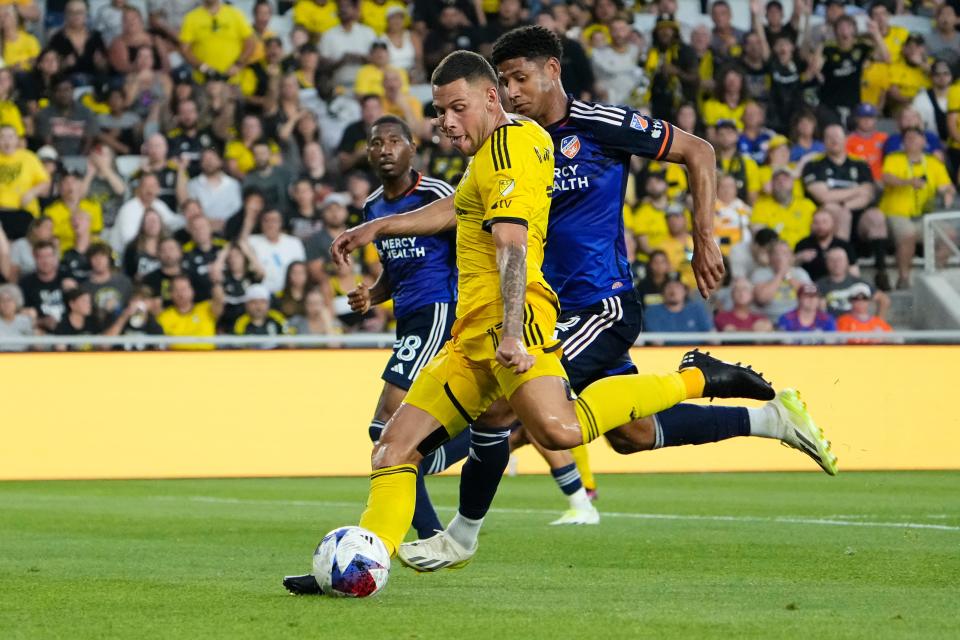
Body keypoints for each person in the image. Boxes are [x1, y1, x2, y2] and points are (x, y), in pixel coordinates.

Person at [281, 46, 831, 593]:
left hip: (560, 313)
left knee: (555, 428)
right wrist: (381, 227)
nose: (445, 124)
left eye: (456, 109)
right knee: (395, 448)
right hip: (476, 335)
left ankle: (702, 378)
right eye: (439, 112)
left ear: (502, 93)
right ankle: (365, 564)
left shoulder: (521, 146)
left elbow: (513, 245)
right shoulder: (493, 150)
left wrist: (517, 332)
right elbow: (461, 208)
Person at [802, 124, 887, 287]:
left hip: (857, 213)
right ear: (823, 142)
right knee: (838, 212)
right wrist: (854, 191)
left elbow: (867, 194)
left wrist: (845, 204)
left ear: (845, 140)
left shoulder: (860, 164)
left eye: (838, 136)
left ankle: (881, 271)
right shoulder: (814, 165)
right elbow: (823, 196)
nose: (834, 140)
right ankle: (840, 271)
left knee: (876, 216)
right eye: (830, 137)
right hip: (831, 217)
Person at [878, 127, 955, 289]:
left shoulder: (934, 163)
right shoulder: (894, 159)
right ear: (903, 143)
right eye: (907, 138)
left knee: (950, 234)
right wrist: (908, 182)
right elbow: (886, 177)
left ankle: (934, 276)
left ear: (924, 141)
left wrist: (948, 192)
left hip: (924, 216)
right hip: (897, 213)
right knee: (908, 234)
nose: (911, 140)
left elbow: (945, 186)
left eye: (915, 137)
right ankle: (904, 279)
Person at [179, 0, 255, 84]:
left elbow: (250, 43)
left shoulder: (235, 14)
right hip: (203, 81)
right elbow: (184, 49)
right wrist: (202, 67)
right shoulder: (191, 17)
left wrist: (238, 64)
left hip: (232, 81)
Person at [111, 173, 184, 253]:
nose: (150, 190)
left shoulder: (158, 204)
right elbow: (129, 240)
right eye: (146, 186)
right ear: (139, 189)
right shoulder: (129, 209)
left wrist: (190, 219)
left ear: (158, 189)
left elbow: (173, 222)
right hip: (125, 256)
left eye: (153, 186)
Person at [35, 75, 101, 158]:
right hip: (54, 159)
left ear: (73, 91)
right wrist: (60, 161)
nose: (63, 94)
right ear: (53, 93)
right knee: (45, 152)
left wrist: (79, 160)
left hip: (82, 157)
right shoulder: (45, 113)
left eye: (67, 90)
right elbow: (48, 142)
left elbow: (89, 140)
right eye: (59, 90)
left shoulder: (85, 112)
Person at [751, 167, 816, 249]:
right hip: (775, 253)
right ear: (771, 185)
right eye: (777, 180)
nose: (781, 183)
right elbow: (759, 235)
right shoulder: (761, 207)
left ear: (793, 183)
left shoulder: (807, 204)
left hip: (806, 251)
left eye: (785, 179)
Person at [816, 246, 889, 320]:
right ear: (826, 263)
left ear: (847, 262)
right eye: (832, 260)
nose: (836, 263)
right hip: (832, 328)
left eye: (840, 260)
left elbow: (884, 299)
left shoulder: (858, 283)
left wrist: (877, 323)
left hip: (855, 328)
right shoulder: (819, 285)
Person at [156, 273, 224, 350]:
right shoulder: (164, 317)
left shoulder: (206, 309)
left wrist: (217, 282)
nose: (180, 294)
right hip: (177, 359)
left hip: (207, 358)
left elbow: (219, 300)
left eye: (184, 289)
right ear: (171, 294)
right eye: (176, 290)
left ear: (192, 291)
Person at [318, 0, 378, 88]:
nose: (343, 10)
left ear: (355, 10)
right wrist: (341, 61)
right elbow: (323, 65)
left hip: (368, 85)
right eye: (340, 7)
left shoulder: (368, 32)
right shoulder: (328, 35)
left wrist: (362, 58)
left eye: (347, 6)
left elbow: (380, 60)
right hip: (339, 86)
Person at [245, 209, 306, 294]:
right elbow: (237, 242)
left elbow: (301, 270)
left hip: (288, 294)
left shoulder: (294, 243)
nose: (270, 225)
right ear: (261, 223)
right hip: (262, 295)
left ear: (281, 223)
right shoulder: (251, 241)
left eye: (274, 221)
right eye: (266, 220)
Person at [751, 239, 812, 323]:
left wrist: (788, 276)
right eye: (776, 253)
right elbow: (762, 299)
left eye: (784, 253)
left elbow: (809, 298)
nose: (780, 257)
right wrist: (779, 274)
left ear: (791, 256)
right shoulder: (760, 273)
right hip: (768, 320)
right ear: (769, 256)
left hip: (796, 321)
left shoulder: (800, 273)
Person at [0, 125, 49, 223]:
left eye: (10, 137)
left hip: (25, 211)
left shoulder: (28, 157)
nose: (7, 142)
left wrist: (32, 193)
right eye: (2, 137)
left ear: (17, 140)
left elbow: (45, 182)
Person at [143, 237, 211, 308]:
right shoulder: (150, 280)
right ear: (158, 254)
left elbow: (205, 301)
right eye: (163, 250)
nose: (167, 253)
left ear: (180, 252)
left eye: (171, 249)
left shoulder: (193, 276)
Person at [184, 148, 243, 230]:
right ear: (201, 164)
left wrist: (225, 223)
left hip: (231, 229)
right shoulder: (192, 185)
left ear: (220, 161)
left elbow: (237, 208)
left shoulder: (234, 184)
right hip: (202, 229)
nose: (209, 162)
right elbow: (190, 211)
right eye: (205, 159)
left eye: (212, 158)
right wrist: (208, 222)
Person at [18, 240, 70, 332]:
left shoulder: (67, 278)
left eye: (49, 256)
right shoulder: (25, 283)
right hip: (39, 331)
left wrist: (73, 290)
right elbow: (20, 315)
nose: (45, 261)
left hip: (68, 330)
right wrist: (42, 322)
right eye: (41, 257)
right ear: (34, 258)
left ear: (55, 257)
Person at [794, 209, 857, 282]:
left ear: (833, 224)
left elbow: (854, 272)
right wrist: (799, 258)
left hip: (838, 287)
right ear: (811, 225)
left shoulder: (844, 245)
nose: (820, 226)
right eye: (816, 222)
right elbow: (791, 270)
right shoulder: (802, 244)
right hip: (810, 287)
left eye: (825, 222)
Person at [643, 278, 714, 335]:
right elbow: (656, 342)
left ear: (685, 291)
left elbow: (710, 335)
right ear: (662, 292)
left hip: (696, 351)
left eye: (677, 287)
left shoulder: (697, 309)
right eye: (669, 287)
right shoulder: (653, 311)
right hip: (664, 351)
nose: (673, 291)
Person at [85, 241, 133, 324]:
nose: (99, 261)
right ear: (89, 260)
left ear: (109, 259)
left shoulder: (124, 282)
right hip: (97, 330)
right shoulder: (85, 287)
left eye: (102, 256)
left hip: (123, 328)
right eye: (95, 257)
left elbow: (130, 306)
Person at [845, 103, 887, 182]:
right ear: (857, 119)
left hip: (883, 183)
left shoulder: (884, 138)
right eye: (863, 117)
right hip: (859, 183)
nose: (867, 120)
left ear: (875, 119)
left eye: (870, 117)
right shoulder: (848, 141)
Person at [0, 283, 33, 351]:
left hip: (22, 358)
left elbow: (34, 344)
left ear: (17, 302)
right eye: (2, 301)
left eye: (9, 300)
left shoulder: (25, 321)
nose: (6, 304)